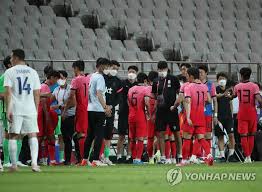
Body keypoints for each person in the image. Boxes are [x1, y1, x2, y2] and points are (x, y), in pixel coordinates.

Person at [4, 49, 41, 172]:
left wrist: (7, 109)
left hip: (16, 108)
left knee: (13, 135)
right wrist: (35, 109)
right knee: (32, 134)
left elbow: (8, 93)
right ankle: (35, 164)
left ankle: (14, 165)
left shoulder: (9, 72)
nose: (10, 60)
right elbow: (37, 93)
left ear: (15, 57)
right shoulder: (33, 72)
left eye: (11, 57)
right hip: (30, 108)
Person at [178, 67, 214, 166]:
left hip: (192, 115)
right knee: (201, 138)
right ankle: (209, 155)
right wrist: (202, 102)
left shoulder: (188, 87)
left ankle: (184, 161)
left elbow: (188, 101)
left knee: (187, 138)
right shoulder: (204, 86)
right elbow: (209, 100)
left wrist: (188, 117)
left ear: (192, 76)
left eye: (187, 76)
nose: (187, 78)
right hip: (201, 115)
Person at [82, 57, 111, 167]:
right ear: (100, 66)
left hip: (90, 109)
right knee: (99, 135)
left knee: (90, 135)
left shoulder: (92, 76)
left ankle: (85, 159)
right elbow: (99, 94)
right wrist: (105, 107)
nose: (107, 68)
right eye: (106, 66)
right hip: (98, 110)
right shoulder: (100, 78)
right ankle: (95, 160)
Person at [152, 61, 181, 164]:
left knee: (176, 133)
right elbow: (154, 95)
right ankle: (163, 157)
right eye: (160, 69)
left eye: (163, 69)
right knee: (160, 133)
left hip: (172, 110)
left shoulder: (173, 79)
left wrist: (177, 105)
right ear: (157, 69)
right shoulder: (156, 81)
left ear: (167, 69)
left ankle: (179, 155)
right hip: (160, 110)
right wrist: (154, 110)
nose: (161, 71)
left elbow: (180, 92)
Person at [62, 60, 90, 164]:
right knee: (83, 134)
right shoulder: (88, 79)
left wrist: (64, 111)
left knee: (81, 134)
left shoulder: (76, 80)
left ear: (76, 68)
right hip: (88, 108)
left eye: (73, 69)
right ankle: (83, 159)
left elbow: (70, 97)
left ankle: (83, 160)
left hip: (81, 109)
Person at [233, 67, 262, 163]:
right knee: (251, 135)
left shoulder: (237, 86)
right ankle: (249, 157)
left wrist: (229, 96)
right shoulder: (254, 86)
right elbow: (259, 99)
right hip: (252, 113)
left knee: (243, 136)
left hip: (242, 114)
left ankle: (247, 157)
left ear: (241, 75)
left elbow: (233, 95)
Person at [51, 70, 78, 165]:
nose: (59, 80)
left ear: (66, 78)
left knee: (68, 137)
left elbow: (73, 103)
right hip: (62, 116)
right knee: (64, 137)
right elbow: (51, 99)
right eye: (58, 78)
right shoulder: (56, 90)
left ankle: (68, 160)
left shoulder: (71, 89)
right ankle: (64, 159)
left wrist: (60, 107)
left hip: (70, 116)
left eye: (61, 78)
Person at [101, 60, 122, 165]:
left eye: (117, 69)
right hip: (100, 109)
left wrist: (111, 106)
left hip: (110, 111)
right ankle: (97, 156)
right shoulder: (102, 78)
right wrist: (104, 106)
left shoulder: (118, 82)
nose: (115, 71)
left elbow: (118, 98)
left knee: (108, 135)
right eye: (113, 68)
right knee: (98, 133)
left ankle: (106, 156)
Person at [116, 65, 138, 163]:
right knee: (121, 135)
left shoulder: (138, 86)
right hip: (123, 113)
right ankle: (119, 156)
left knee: (131, 137)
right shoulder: (122, 83)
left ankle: (129, 156)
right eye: (129, 71)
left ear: (136, 73)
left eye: (133, 72)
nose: (131, 74)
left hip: (133, 114)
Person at [37, 70, 60, 166]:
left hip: (43, 114)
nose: (57, 81)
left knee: (45, 137)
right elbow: (42, 102)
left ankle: (43, 159)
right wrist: (47, 117)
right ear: (52, 77)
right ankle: (46, 160)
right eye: (56, 79)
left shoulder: (44, 86)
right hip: (43, 115)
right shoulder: (45, 87)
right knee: (44, 137)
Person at [127, 72, 149, 164]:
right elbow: (147, 102)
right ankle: (138, 159)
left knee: (132, 138)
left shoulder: (131, 89)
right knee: (140, 138)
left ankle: (133, 157)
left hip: (131, 115)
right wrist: (149, 113)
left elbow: (128, 102)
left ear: (136, 80)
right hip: (140, 115)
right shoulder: (145, 89)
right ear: (144, 81)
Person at [214, 72, 236, 162]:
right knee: (220, 136)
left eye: (223, 78)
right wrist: (224, 94)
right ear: (217, 80)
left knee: (231, 135)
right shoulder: (216, 89)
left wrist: (231, 115)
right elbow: (216, 97)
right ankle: (222, 156)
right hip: (219, 117)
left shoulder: (230, 90)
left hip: (228, 117)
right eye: (220, 78)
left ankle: (231, 155)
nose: (221, 80)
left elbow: (230, 102)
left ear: (226, 80)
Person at [198, 65, 218, 152]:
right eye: (198, 72)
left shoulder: (210, 85)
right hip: (197, 114)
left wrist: (215, 115)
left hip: (208, 114)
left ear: (206, 73)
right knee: (198, 135)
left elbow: (215, 101)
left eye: (201, 72)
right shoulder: (195, 84)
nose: (200, 74)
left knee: (207, 135)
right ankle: (198, 155)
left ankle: (207, 154)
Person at [146, 71, 159, 164]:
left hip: (149, 117)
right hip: (159, 115)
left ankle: (150, 158)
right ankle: (160, 155)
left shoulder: (145, 89)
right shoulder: (160, 88)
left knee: (150, 138)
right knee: (161, 137)